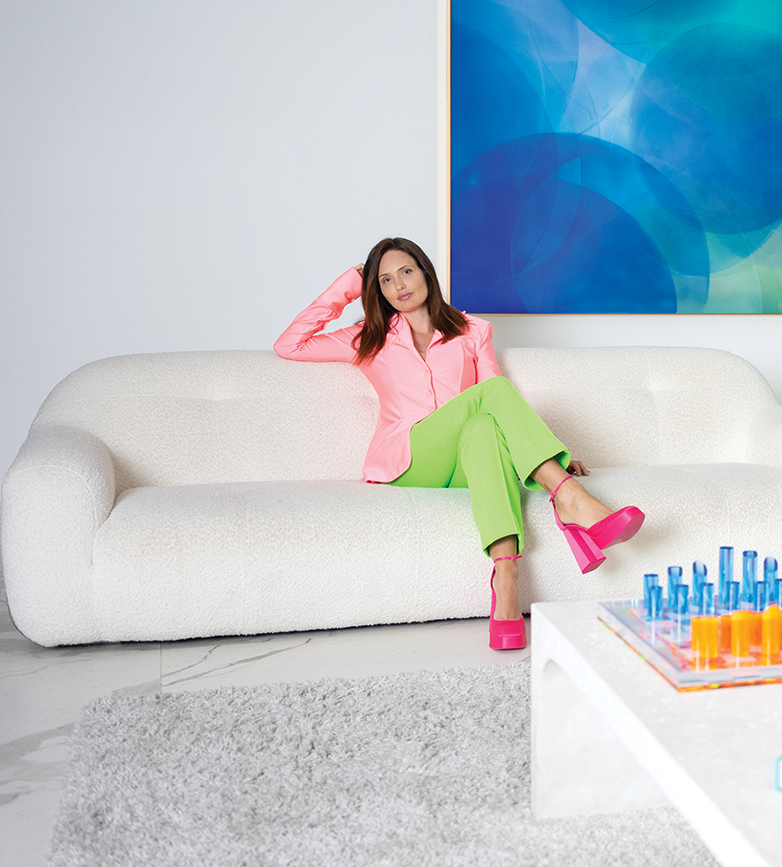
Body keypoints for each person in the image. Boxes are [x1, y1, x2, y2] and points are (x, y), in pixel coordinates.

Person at [274, 237, 644, 651]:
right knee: (491, 398)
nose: (399, 285)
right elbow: (289, 345)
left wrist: (544, 450)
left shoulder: (472, 331)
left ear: (426, 272)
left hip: (464, 462)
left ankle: (506, 581)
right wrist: (350, 282)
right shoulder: (367, 336)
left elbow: (495, 399)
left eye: (407, 271)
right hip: (409, 460)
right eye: (385, 280)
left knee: (485, 425)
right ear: (375, 291)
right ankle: (568, 496)